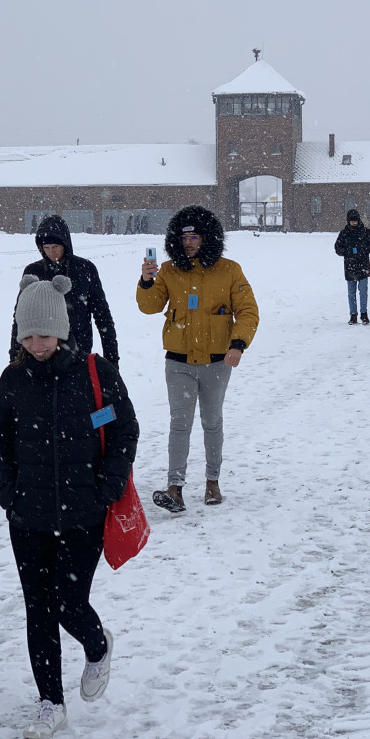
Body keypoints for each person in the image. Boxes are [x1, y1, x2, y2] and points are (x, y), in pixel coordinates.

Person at [0, 275, 140, 739]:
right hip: (27, 518)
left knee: (68, 603)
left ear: (62, 330)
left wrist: (108, 486)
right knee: (38, 609)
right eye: (27, 336)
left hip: (83, 516)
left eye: (44, 335)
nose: (36, 345)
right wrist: (6, 491)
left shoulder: (95, 374)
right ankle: (50, 702)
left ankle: (96, 644)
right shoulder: (12, 381)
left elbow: (123, 429)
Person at [137, 205, 260, 512]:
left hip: (217, 361)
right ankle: (175, 487)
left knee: (211, 421)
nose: (188, 243)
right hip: (178, 361)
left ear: (207, 238)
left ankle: (212, 481)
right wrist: (147, 282)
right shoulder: (168, 271)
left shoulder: (229, 270)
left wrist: (238, 344)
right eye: (184, 237)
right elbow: (150, 307)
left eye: (194, 237)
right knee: (179, 423)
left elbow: (248, 311)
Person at [10, 214, 119, 366]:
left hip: (78, 352)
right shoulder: (34, 271)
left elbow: (102, 316)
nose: (51, 252)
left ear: (65, 244)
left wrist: (112, 360)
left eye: (55, 247)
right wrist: (15, 360)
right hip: (40, 352)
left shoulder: (85, 269)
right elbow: (20, 318)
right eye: (46, 248)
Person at [333, 208, 370, 325]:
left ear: (359, 220)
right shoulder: (344, 233)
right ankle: (353, 315)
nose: (354, 222)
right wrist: (347, 252)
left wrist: (364, 250)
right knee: (351, 293)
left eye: (355, 220)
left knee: (363, 292)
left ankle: (364, 314)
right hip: (350, 266)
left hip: (363, 266)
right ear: (348, 221)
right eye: (352, 220)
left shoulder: (365, 232)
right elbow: (337, 248)